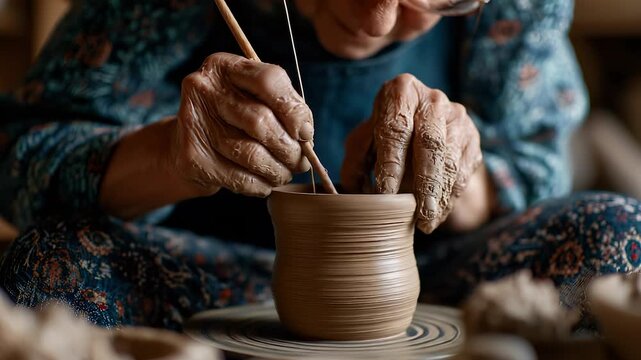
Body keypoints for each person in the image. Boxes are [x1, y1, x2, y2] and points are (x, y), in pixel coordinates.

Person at [0, 0, 639, 331]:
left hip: (427, 283)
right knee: (45, 272)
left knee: (620, 240)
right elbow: (21, 157)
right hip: (203, 279)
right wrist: (171, 156)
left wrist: (452, 183)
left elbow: (540, 156)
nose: (379, 18)